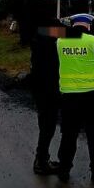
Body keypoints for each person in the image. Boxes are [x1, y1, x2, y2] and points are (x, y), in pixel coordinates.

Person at [55, 13, 94, 183]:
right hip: (93, 96)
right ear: (88, 25)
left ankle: (64, 169)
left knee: (69, 134)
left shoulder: (60, 41)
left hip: (69, 96)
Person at [30, 19, 63, 175]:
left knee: (46, 126)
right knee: (48, 126)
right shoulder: (49, 39)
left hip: (40, 87)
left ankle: (42, 159)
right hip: (50, 88)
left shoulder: (39, 36)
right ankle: (41, 161)